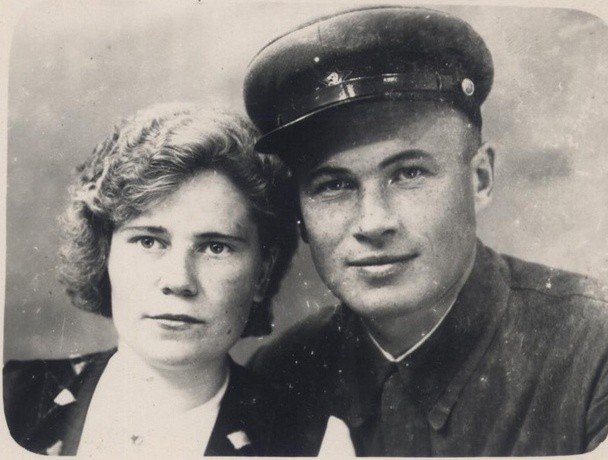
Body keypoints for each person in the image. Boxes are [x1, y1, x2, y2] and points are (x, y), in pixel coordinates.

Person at [243, 6, 608, 457]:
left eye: (409, 174)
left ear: (480, 179)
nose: (374, 223)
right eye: (334, 185)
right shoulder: (280, 374)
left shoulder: (594, 349)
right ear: (300, 212)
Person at [3, 103, 348, 457]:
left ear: (262, 273)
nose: (178, 280)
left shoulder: (318, 445)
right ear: (104, 253)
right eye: (148, 241)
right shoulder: (13, 401)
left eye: (215, 247)